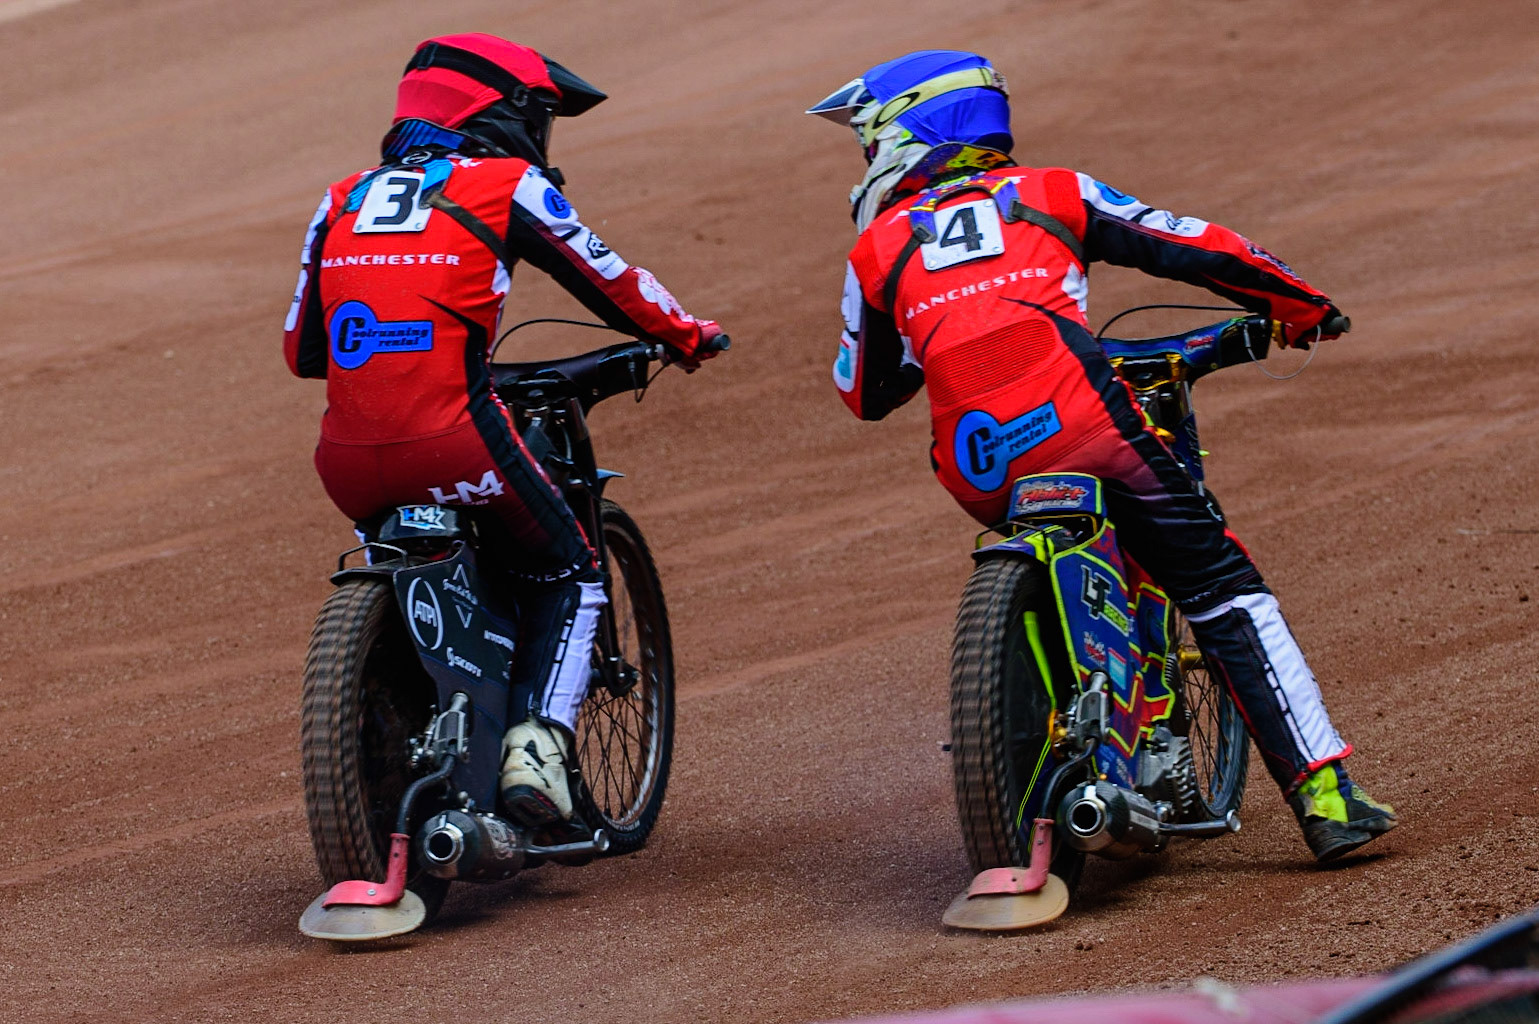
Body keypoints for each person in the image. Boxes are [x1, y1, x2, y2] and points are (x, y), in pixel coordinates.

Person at [807, 50, 1395, 861]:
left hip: (976, 466)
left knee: (1055, 500)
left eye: (870, 142)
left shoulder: (876, 248)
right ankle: (1324, 793)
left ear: (914, 131)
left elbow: (865, 392)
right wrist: (1303, 307)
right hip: (1086, 422)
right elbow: (1194, 247)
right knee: (1221, 585)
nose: (868, 161)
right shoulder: (1049, 191)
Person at [284, 33, 723, 828]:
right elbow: (608, 278)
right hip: (456, 439)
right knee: (569, 567)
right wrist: (688, 335)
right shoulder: (503, 184)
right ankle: (538, 750)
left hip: (345, 459)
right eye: (543, 115)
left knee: (418, 545)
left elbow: (303, 351)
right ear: (505, 114)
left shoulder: (340, 196)